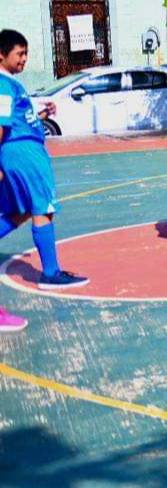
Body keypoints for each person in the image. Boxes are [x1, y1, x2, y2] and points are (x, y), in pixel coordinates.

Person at [0, 29, 89, 303]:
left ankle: (51, 271)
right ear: (1, 54)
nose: (24, 59)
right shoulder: (3, 84)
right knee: (43, 207)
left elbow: (15, 120)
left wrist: (40, 115)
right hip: (25, 153)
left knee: (21, 210)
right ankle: (50, 273)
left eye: (26, 53)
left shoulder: (11, 83)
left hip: (22, 148)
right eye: (19, 53)